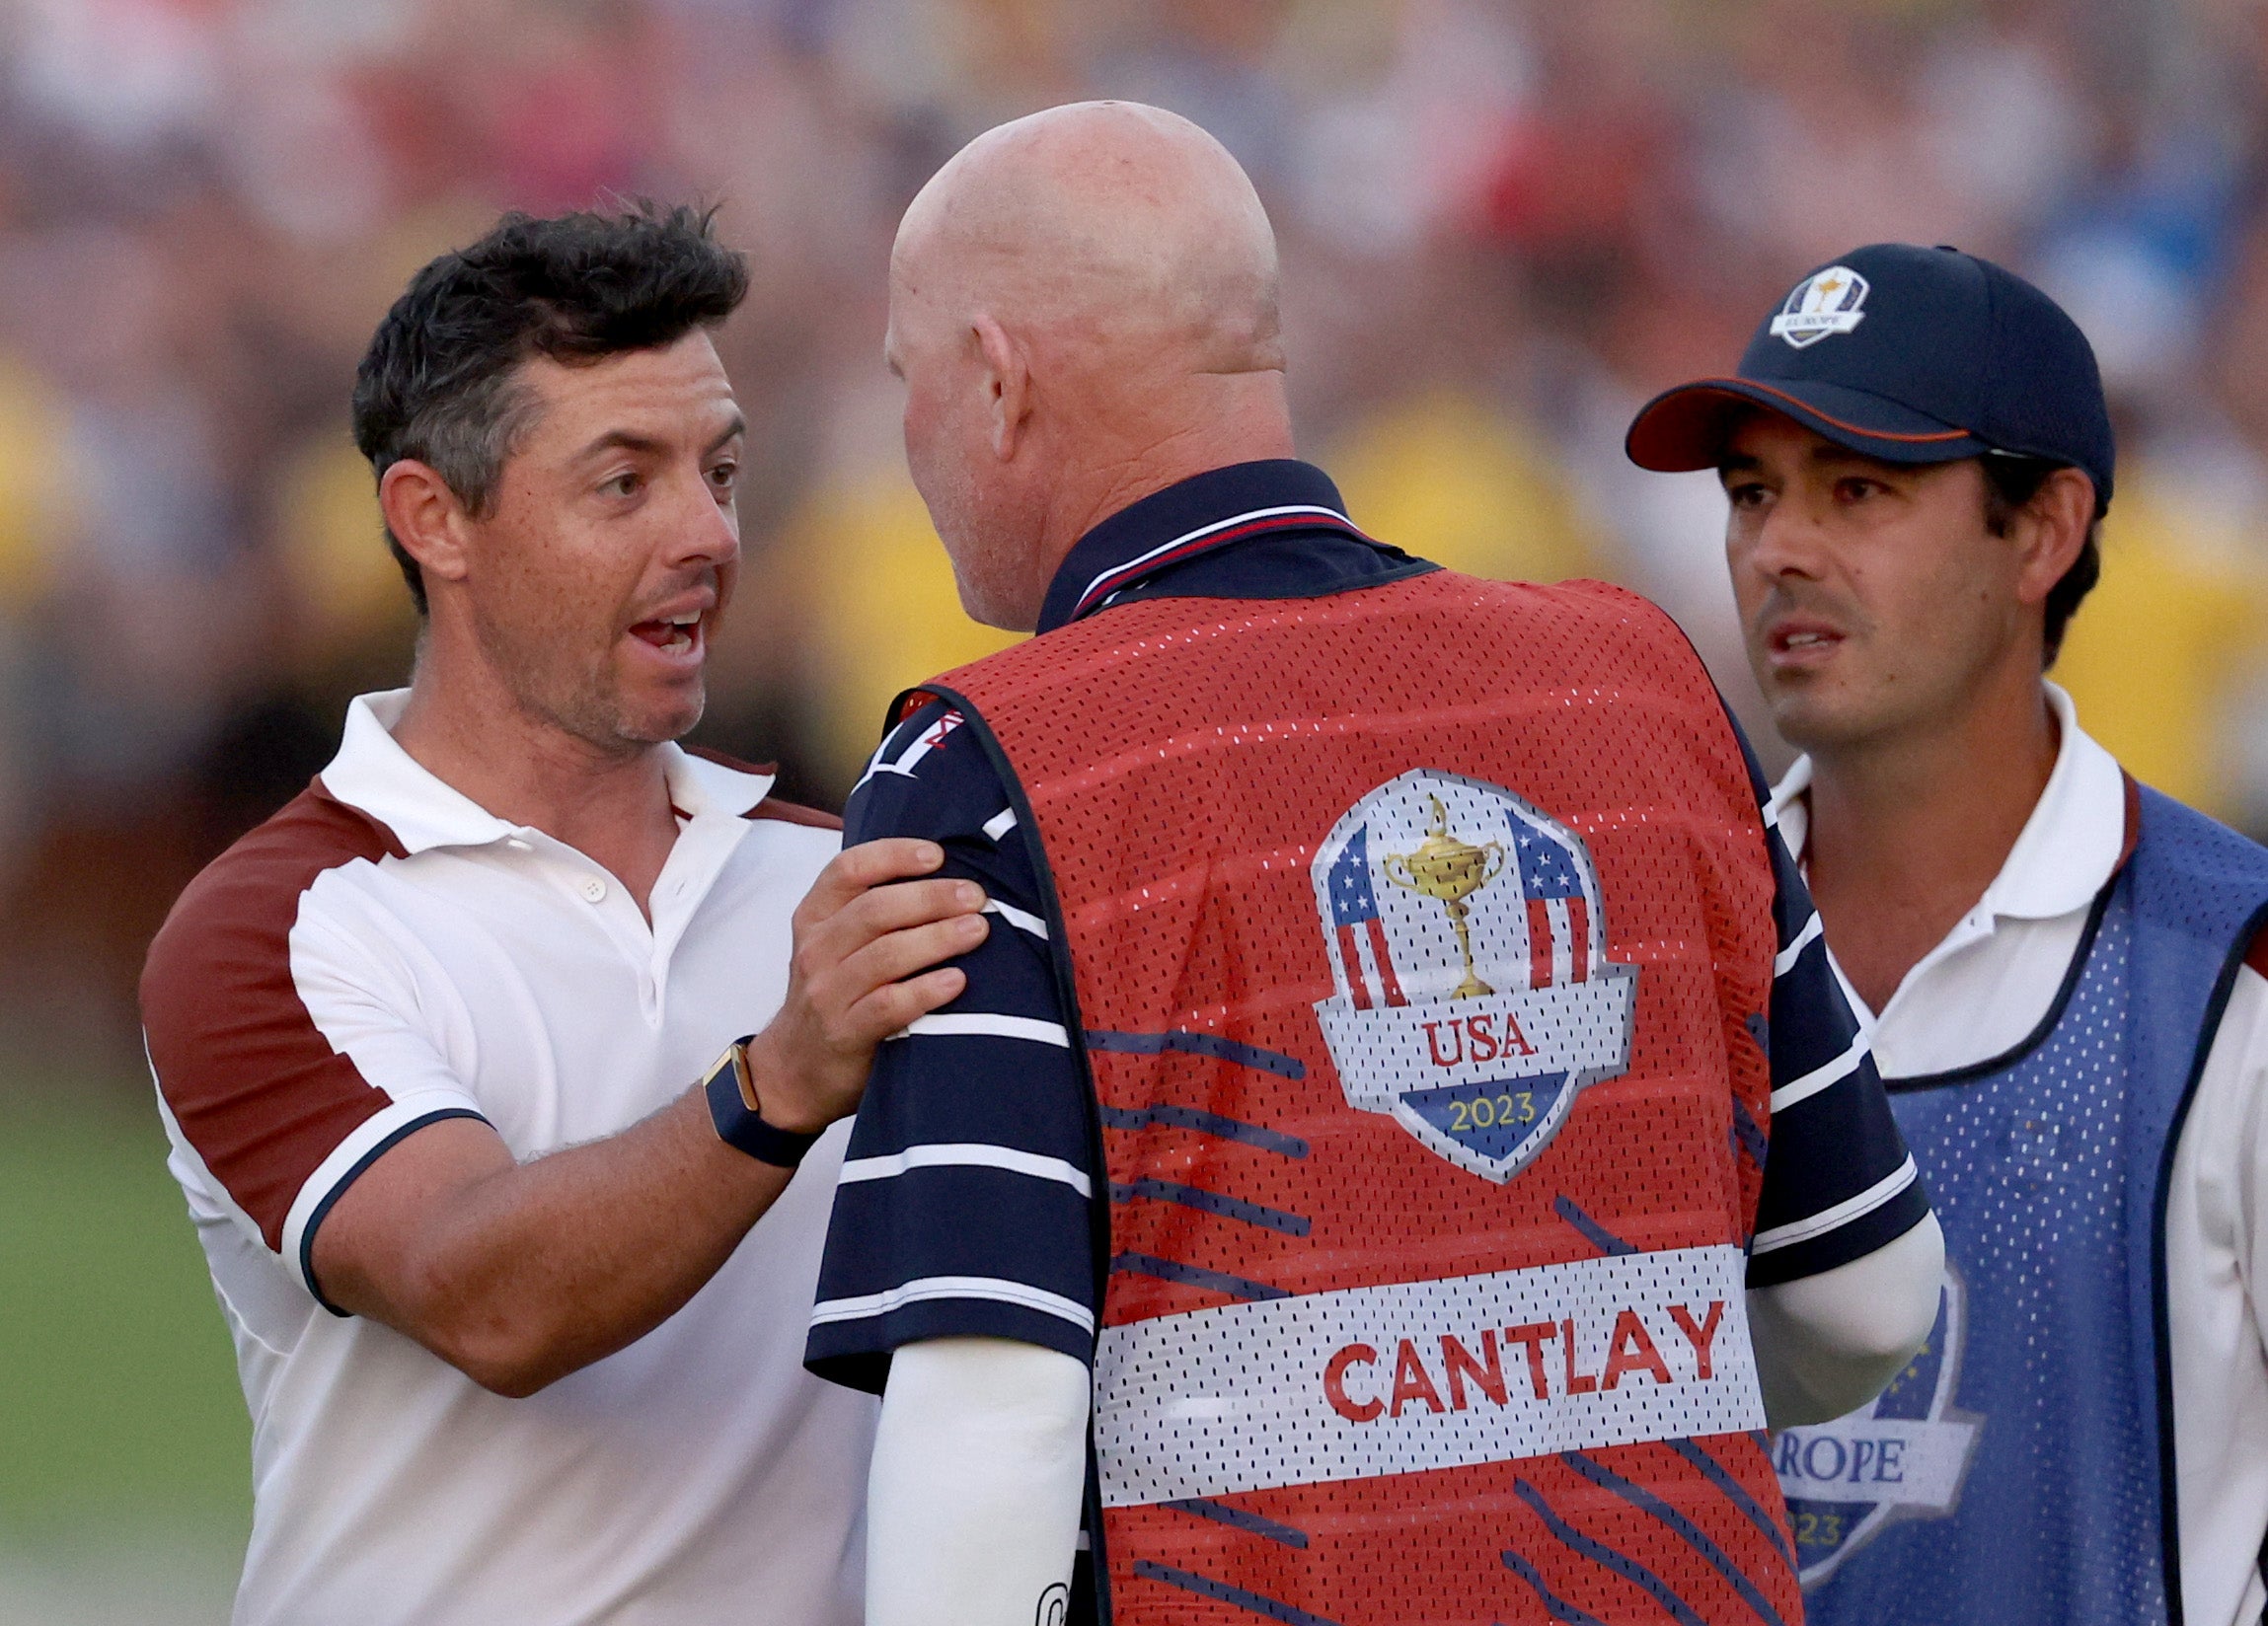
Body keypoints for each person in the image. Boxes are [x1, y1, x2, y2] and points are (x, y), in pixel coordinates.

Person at [802, 102, 1943, 1626]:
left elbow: (989, 1415)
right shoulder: (1644, 689)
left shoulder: (986, 775)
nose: (910, 434)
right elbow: (1868, 1300)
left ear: (997, 381)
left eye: (909, 380)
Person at [138, 204, 989, 1626]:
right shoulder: (274, 928)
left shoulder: (836, 881)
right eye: (623, 482)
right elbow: (486, 1298)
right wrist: (780, 1080)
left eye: (717, 472)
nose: (708, 533)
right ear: (433, 519)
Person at [1625, 242, 2268, 1626]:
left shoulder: (2235, 974)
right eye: (1751, 495)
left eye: (1856, 492)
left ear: (2041, 530)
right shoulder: (1642, 964)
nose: (1775, 549)